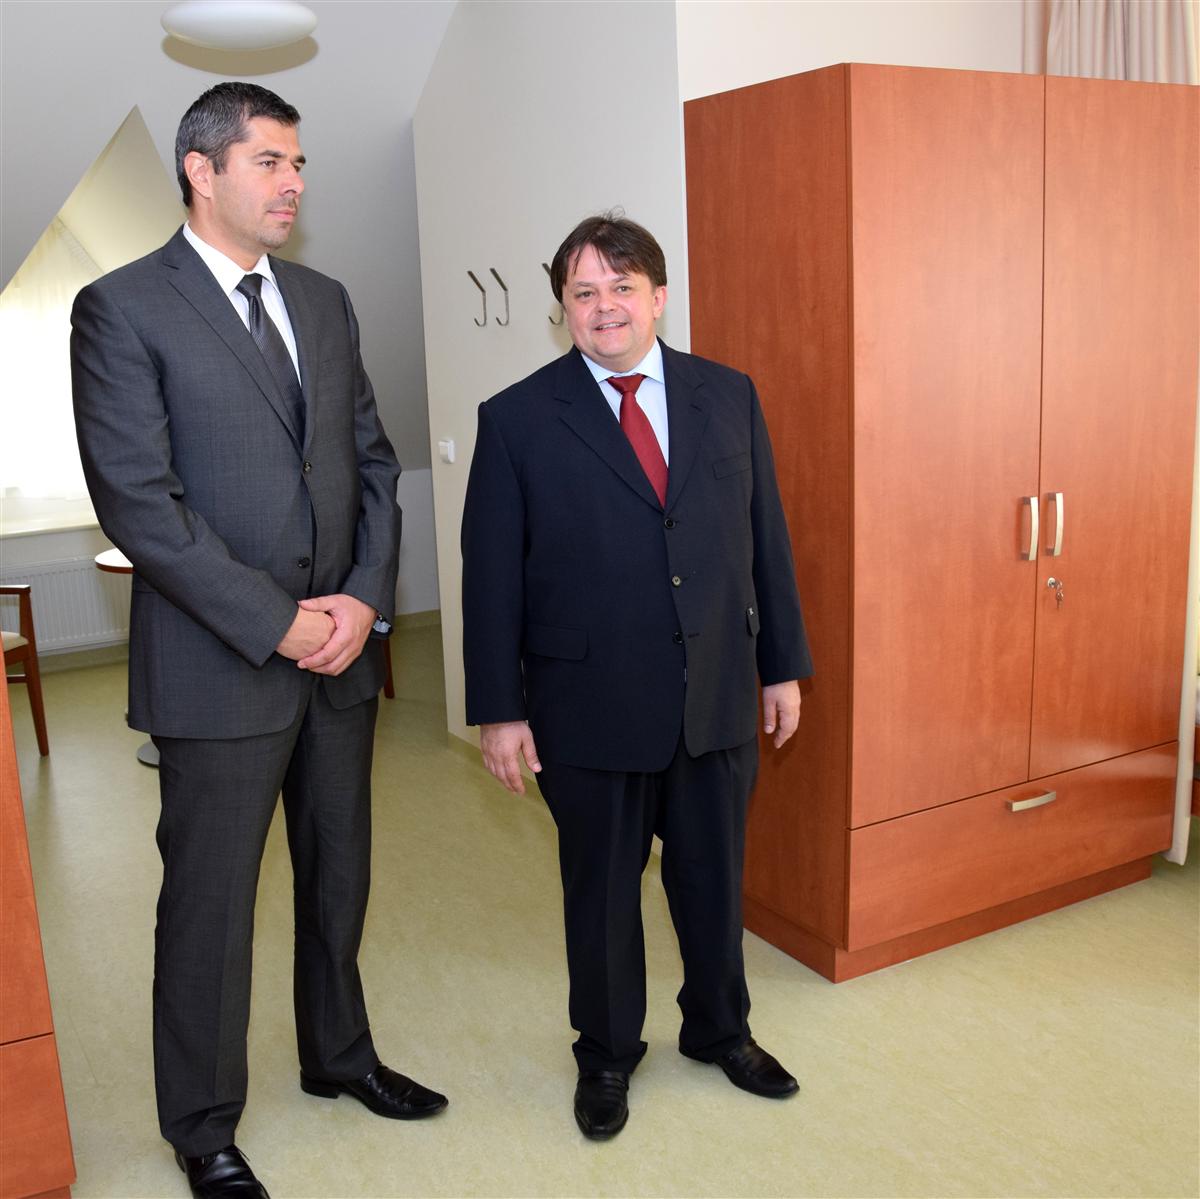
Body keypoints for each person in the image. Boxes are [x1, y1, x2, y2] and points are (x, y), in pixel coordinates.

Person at [71, 82, 446, 1199]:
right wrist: (278, 621)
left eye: (299, 163)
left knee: (338, 877)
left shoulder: (324, 300)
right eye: (270, 161)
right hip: (217, 667)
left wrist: (363, 601)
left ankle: (339, 1055)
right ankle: (201, 1124)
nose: (294, 183)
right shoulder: (122, 307)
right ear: (202, 170)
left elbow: (371, 461)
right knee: (211, 906)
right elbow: (141, 505)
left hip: (338, 658)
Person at [461, 212, 812, 1140]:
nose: (604, 306)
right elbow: (490, 578)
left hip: (717, 692)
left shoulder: (726, 395)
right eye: (583, 292)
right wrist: (499, 711)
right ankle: (608, 1051)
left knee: (713, 881)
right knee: (603, 895)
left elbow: (765, 539)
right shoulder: (516, 419)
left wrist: (782, 666)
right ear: (562, 309)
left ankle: (721, 1029)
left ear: (659, 297)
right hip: (587, 706)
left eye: (622, 287)